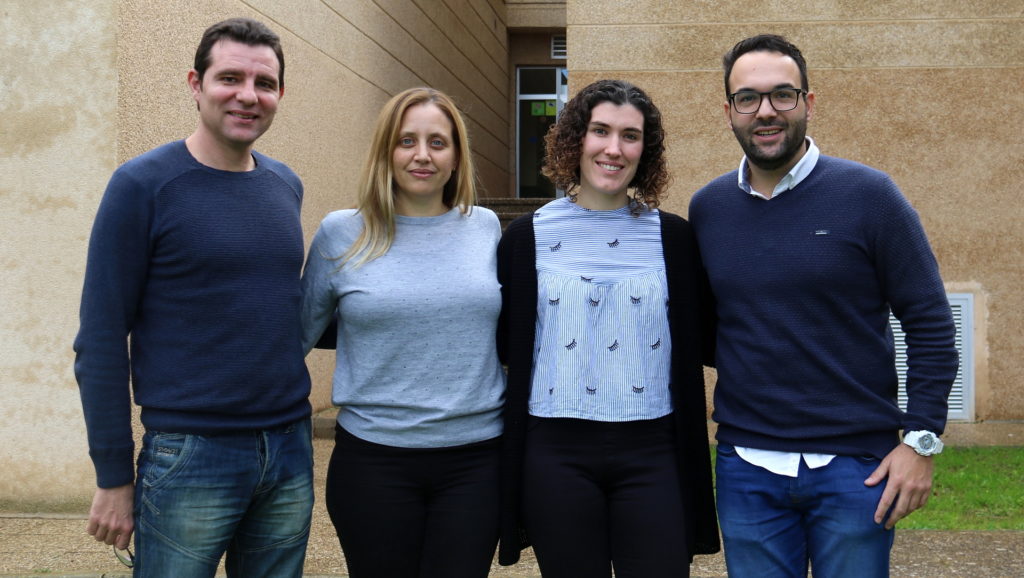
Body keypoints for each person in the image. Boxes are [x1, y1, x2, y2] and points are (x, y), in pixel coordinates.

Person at [689, 34, 960, 577]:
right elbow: (714, 329)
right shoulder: (709, 209)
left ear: (808, 103)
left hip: (856, 470)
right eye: (748, 98)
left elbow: (930, 323)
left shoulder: (871, 196)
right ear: (729, 111)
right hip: (747, 469)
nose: (766, 111)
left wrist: (921, 442)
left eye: (782, 94)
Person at [73, 18, 313, 577]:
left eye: (264, 83)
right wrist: (113, 476)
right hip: (189, 455)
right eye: (229, 78)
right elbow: (100, 340)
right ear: (195, 84)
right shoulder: (141, 186)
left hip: (289, 448)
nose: (248, 95)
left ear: (280, 93)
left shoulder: (286, 185)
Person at [496, 79, 720, 577]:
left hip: (655, 451)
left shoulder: (676, 239)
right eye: (600, 131)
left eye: (630, 136)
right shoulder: (526, 239)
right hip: (554, 453)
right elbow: (502, 344)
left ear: (646, 150)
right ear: (575, 140)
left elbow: (709, 338)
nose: (613, 148)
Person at [300, 87, 506, 578]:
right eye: (407, 141)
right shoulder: (341, 232)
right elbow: (293, 337)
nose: (422, 155)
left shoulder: (486, 228)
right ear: (385, 151)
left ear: (456, 156)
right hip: (374, 463)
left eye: (438, 142)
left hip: (476, 463)